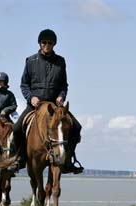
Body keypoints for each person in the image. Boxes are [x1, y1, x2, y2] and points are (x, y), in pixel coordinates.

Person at [11, 29, 84, 174]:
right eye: (44, 42)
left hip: (54, 106)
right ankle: (20, 158)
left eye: (50, 43)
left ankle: (68, 160)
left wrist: (61, 96)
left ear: (54, 44)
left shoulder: (60, 61)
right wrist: (30, 97)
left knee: (76, 127)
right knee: (17, 129)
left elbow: (64, 85)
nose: (47, 45)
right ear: (39, 43)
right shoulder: (30, 61)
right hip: (35, 105)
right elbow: (24, 85)